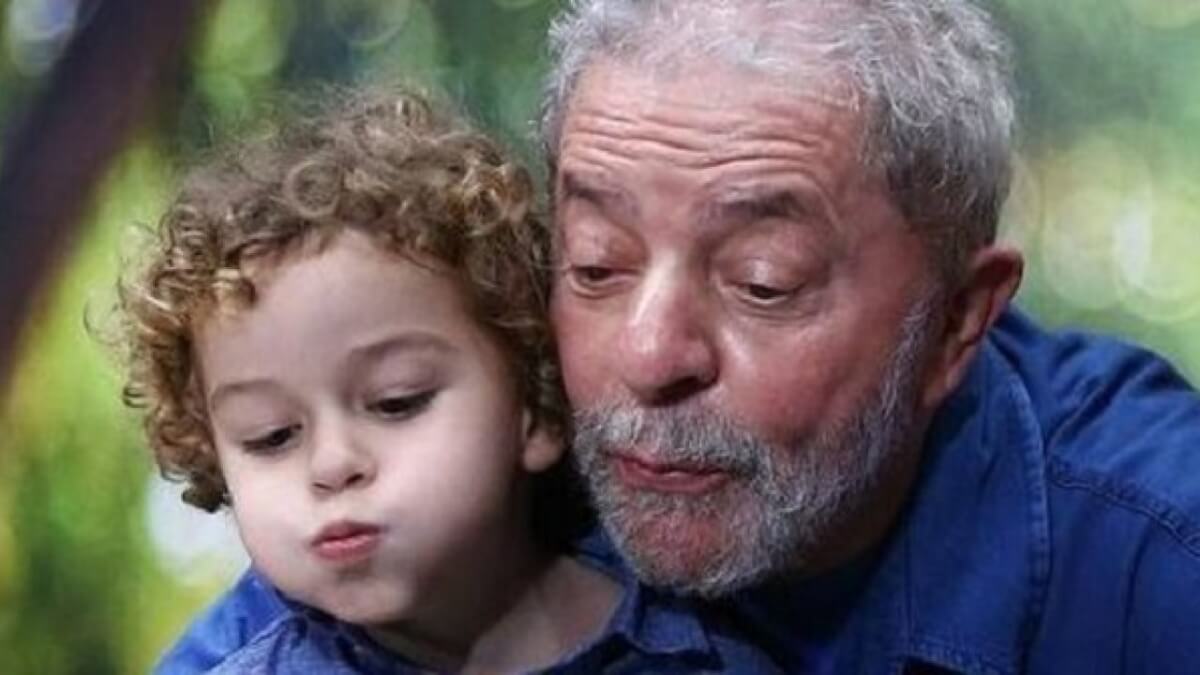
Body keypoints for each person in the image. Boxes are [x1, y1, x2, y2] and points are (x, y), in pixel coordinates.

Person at [165, 1, 1200, 673]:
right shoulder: (457, 500)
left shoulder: (1155, 557)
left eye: (762, 282)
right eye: (596, 265)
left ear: (957, 322)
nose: (647, 357)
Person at [118, 88, 780, 674]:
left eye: (396, 401)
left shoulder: (708, 655)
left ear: (535, 404)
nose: (332, 465)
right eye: (270, 437)